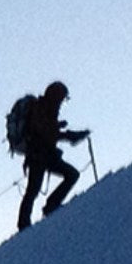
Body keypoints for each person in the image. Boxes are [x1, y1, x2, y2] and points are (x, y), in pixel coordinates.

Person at [15, 81, 91, 231]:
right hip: (39, 156)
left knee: (68, 176)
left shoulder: (47, 108)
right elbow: (44, 132)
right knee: (34, 190)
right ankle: (26, 223)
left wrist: (60, 129)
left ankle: (47, 208)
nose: (62, 102)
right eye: (62, 98)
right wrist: (68, 135)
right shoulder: (42, 108)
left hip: (45, 155)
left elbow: (47, 130)